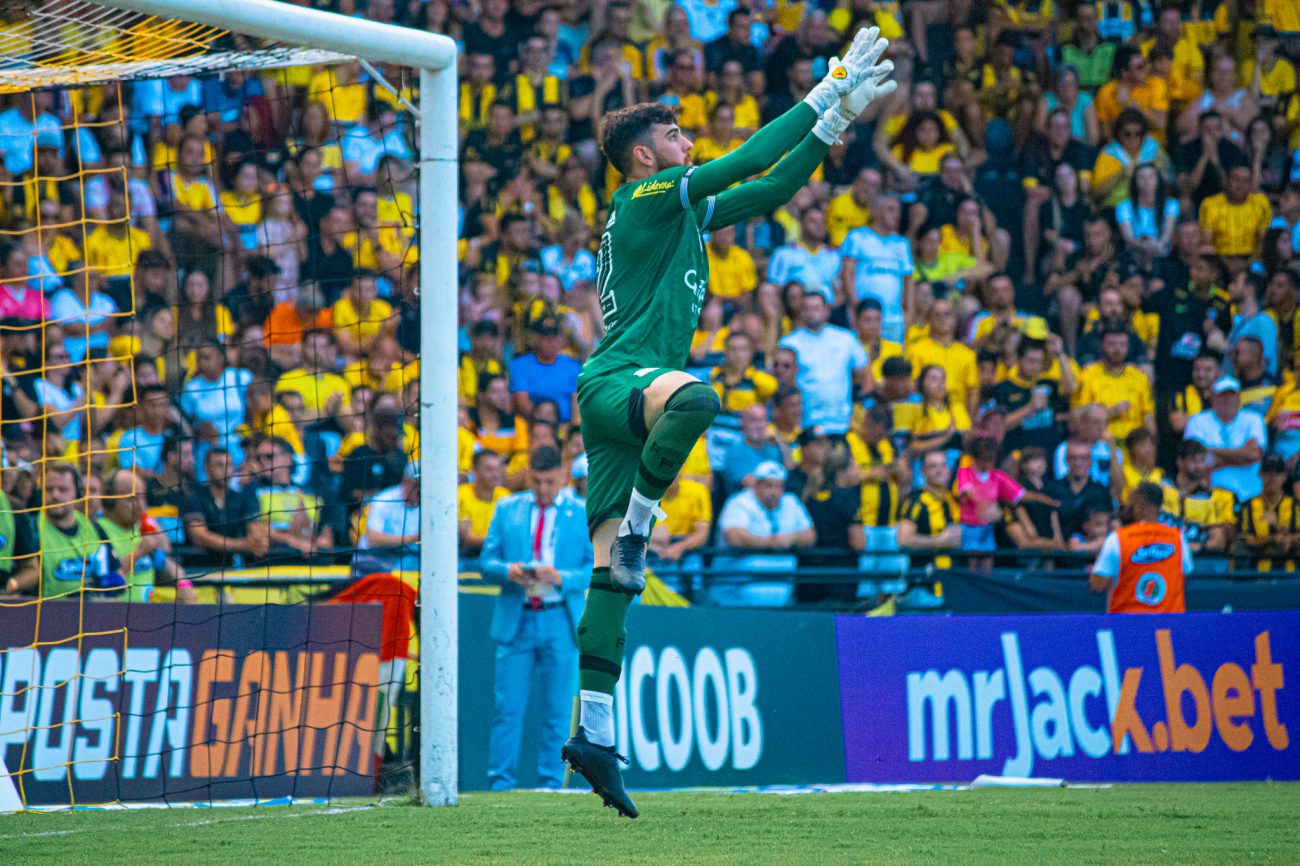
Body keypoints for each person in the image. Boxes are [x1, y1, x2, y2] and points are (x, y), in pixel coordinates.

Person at [561, 28, 896, 816]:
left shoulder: (677, 215)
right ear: (644, 155)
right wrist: (826, 84)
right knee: (700, 400)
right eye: (673, 134)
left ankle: (594, 736)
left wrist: (835, 122)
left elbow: (771, 191)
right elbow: (745, 162)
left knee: (613, 579)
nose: (686, 139)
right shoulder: (644, 196)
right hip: (622, 381)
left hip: (616, 399)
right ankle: (646, 516)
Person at [479, 446, 592, 791]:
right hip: (518, 618)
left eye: (550, 481)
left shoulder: (582, 512)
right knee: (507, 709)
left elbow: (593, 568)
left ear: (562, 476)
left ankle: (551, 784)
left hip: (560, 619)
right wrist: (507, 570)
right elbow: (486, 563)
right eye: (537, 481)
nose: (543, 488)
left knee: (558, 711)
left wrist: (563, 578)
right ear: (528, 476)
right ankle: (500, 783)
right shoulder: (506, 509)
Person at [714, 460, 816, 606]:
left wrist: (792, 538)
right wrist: (772, 543)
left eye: (778, 486)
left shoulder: (791, 502)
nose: (774, 492)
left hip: (781, 597)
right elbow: (735, 537)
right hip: (734, 597)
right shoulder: (738, 502)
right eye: (769, 486)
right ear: (756, 485)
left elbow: (810, 536)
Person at [1090, 481, 1190, 613]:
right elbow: (1184, 575)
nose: (1127, 505)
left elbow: (1097, 584)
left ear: (1140, 503)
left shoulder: (1118, 539)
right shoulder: (1178, 537)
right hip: (1167, 626)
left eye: (1131, 500)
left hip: (1128, 625)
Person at [779, 287, 869, 434]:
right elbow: (784, 384)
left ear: (826, 310)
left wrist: (859, 412)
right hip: (806, 424)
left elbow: (865, 375)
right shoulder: (789, 343)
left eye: (815, 308)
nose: (810, 313)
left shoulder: (846, 339)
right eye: (806, 308)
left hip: (843, 423)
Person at [1184, 376, 1267, 501]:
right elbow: (1195, 460)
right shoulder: (1197, 420)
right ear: (1212, 397)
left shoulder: (1254, 418)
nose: (1227, 399)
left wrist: (1211, 452)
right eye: (1222, 395)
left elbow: (1254, 454)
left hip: (1250, 492)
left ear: (1239, 397)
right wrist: (1242, 456)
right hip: (1210, 491)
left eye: (1232, 394)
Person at [358, 460, 421, 573]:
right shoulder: (383, 500)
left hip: (408, 559)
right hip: (375, 558)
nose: (420, 491)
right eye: (417, 485)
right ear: (406, 481)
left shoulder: (428, 506)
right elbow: (373, 539)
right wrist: (414, 538)